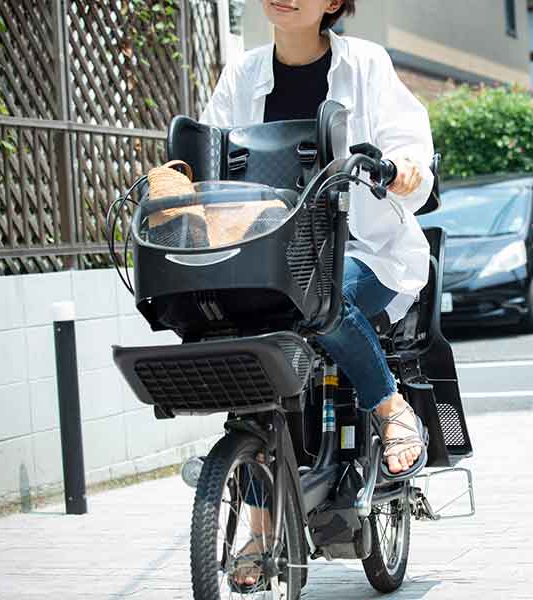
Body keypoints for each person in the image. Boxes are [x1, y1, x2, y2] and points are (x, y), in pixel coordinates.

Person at [200, 0, 434, 587]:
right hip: (269, 260)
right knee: (248, 351)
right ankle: (260, 524)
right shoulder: (242, 74)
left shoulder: (365, 64)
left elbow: (409, 140)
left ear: (333, 3)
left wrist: (404, 167)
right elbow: (205, 155)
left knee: (324, 294)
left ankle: (389, 407)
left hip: (365, 253)